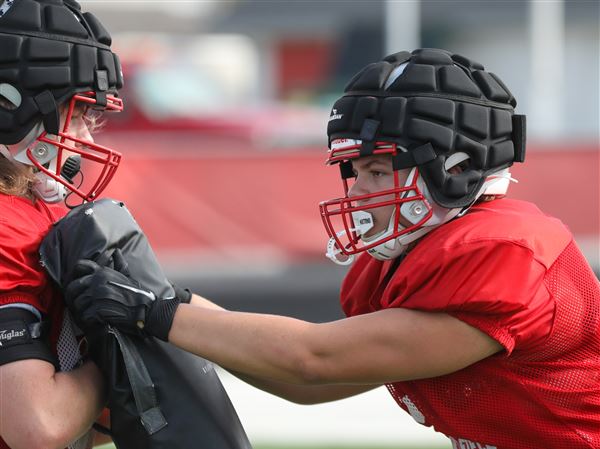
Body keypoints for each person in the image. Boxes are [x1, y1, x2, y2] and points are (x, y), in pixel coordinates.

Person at [65, 49, 600, 449]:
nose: (361, 191)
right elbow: (307, 388)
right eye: (356, 171)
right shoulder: (416, 256)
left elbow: (313, 361)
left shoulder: (504, 249)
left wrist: (157, 312)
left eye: (376, 169)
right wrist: (172, 302)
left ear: (455, 168)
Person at [0, 0, 124, 448]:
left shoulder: (31, 207)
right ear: (10, 107)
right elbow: (38, 426)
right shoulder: (7, 225)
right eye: (79, 113)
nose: (88, 136)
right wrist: (119, 356)